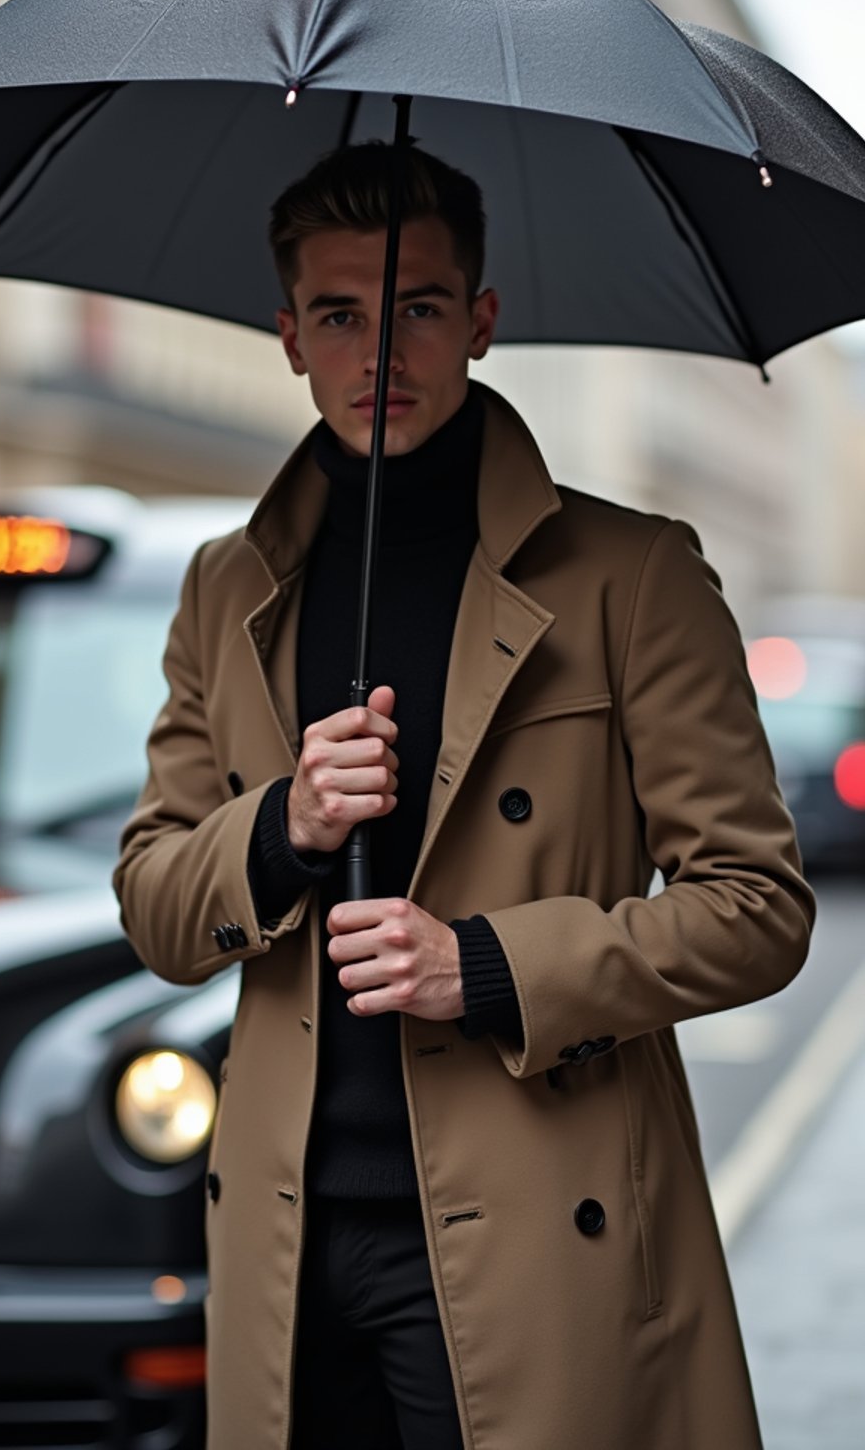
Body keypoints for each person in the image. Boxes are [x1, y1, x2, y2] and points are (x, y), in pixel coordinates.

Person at [113, 141, 814, 1450]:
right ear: (287, 337)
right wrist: (287, 827)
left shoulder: (631, 575)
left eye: (418, 309)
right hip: (287, 1246)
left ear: (480, 321)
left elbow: (758, 906)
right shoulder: (227, 587)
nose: (380, 352)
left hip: (538, 1239)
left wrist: (483, 968)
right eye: (338, 315)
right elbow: (154, 903)